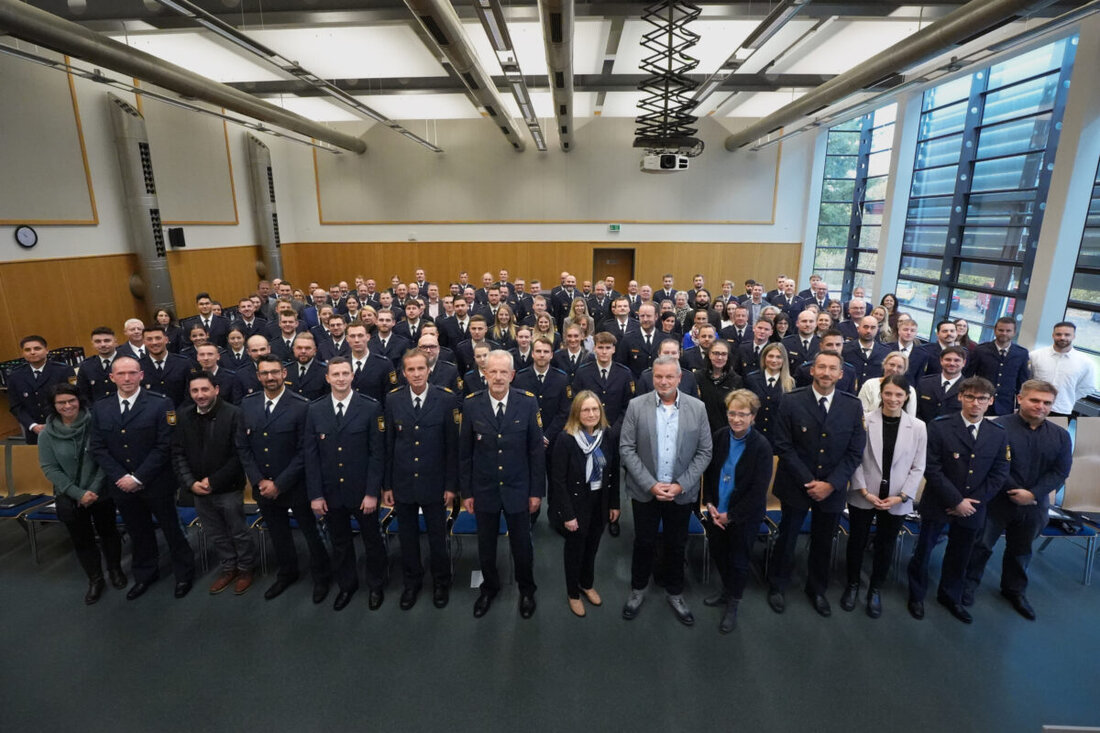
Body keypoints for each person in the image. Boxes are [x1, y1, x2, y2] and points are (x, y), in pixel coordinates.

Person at [767, 350, 865, 617]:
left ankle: (817, 589)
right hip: (796, 483)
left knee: (824, 541)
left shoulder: (852, 405)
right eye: (821, 367)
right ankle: (777, 585)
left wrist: (831, 484)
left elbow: (855, 451)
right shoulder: (791, 401)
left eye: (832, 369)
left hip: (832, 488)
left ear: (841, 374)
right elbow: (783, 445)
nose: (826, 373)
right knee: (787, 538)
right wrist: (810, 481)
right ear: (812, 370)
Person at [89, 356, 196, 600]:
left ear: (141, 375)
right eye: (121, 374)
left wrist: (138, 477)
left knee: (172, 530)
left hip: (156, 481)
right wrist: (121, 477)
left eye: (132, 373)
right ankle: (145, 574)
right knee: (139, 532)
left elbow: (164, 444)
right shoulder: (101, 407)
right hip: (120, 484)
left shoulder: (161, 404)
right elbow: (97, 448)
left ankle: (184, 574)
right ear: (112, 377)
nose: (127, 378)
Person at [964, 380, 1072, 620]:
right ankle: (968, 584)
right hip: (996, 500)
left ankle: (1014, 590)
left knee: (1021, 550)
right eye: (1035, 400)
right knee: (981, 545)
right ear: (1020, 399)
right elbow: (989, 464)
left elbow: (1060, 471)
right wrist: (1016, 491)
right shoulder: (997, 427)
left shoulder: (1061, 436)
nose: (1040, 406)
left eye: (1047, 403)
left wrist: (1032, 494)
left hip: (1035, 504)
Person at [907, 377, 1010, 624]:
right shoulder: (939, 426)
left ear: (991, 402)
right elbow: (930, 467)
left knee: (961, 554)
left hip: (974, 507)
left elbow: (1000, 472)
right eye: (971, 397)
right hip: (939, 501)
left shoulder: (998, 433)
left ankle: (950, 595)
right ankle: (916, 595)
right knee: (924, 549)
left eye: (982, 399)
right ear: (960, 397)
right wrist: (956, 500)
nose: (976, 403)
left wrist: (972, 502)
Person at [620, 355, 713, 626]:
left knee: (676, 544)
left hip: (681, 492)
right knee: (644, 543)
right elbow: (626, 448)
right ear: (652, 378)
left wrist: (681, 484)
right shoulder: (637, 406)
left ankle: (675, 592)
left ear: (679, 378)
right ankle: (637, 590)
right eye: (658, 377)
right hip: (645, 491)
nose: (663, 381)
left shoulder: (698, 408)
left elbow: (705, 451)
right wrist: (650, 483)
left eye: (669, 377)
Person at [236, 355, 332, 603]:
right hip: (263, 486)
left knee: (312, 534)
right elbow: (243, 447)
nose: (270, 377)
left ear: (284, 374)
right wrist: (259, 480)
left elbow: (305, 451)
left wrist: (279, 483)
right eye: (265, 373)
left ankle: (322, 576)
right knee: (278, 534)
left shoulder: (302, 406)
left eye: (275, 372)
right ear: (258, 377)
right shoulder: (247, 404)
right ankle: (287, 572)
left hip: (295, 483)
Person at [460, 350, 545, 619]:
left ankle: (527, 589)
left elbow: (535, 452)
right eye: (492, 371)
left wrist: (535, 492)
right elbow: (465, 452)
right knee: (486, 545)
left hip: (518, 487)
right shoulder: (471, 404)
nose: (497, 377)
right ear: (484, 374)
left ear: (512, 375)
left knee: (522, 545)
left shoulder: (527, 403)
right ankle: (489, 588)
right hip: (484, 487)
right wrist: (467, 492)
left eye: (502, 372)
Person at [304, 358, 387, 611]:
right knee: (340, 543)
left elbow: (377, 454)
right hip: (331, 492)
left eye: (345, 373)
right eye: (335, 374)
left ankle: (376, 585)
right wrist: (316, 495)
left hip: (363, 492)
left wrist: (373, 492)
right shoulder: (315, 410)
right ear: (327, 378)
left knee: (372, 541)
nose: (340, 378)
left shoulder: (371, 407)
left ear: (353, 376)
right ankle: (347, 586)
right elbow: (311, 456)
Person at [843, 375, 926, 618]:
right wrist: (863, 490)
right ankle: (853, 584)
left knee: (885, 545)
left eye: (898, 395)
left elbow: (918, 466)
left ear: (906, 397)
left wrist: (901, 496)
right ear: (881, 394)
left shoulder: (918, 427)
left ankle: (875, 588)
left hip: (896, 498)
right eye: (888, 393)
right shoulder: (866, 421)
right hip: (864, 494)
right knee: (857, 542)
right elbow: (854, 457)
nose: (892, 399)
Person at [383, 349, 461, 610]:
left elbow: (452, 447)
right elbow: (389, 445)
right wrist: (387, 485)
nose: (416, 374)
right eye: (411, 370)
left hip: (435, 481)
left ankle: (441, 582)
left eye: (421, 369)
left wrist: (451, 485)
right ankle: (412, 583)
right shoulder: (393, 400)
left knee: (437, 538)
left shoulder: (446, 399)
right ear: (403, 373)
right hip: (403, 481)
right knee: (407, 537)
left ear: (429, 370)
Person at [38, 384, 125, 604]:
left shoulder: (96, 424)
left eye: (71, 401)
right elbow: (50, 468)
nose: (67, 406)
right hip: (70, 495)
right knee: (82, 540)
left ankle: (115, 570)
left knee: (109, 533)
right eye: (61, 402)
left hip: (100, 492)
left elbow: (106, 458)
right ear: (54, 406)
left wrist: (93, 490)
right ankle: (95, 579)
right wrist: (77, 493)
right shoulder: (46, 434)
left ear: (80, 401)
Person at [171, 371, 255, 596]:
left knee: (238, 531)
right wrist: (191, 483)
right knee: (215, 533)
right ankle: (229, 568)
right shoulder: (184, 415)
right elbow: (178, 454)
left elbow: (239, 455)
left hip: (228, 487)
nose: (200, 395)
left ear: (216, 389)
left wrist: (213, 481)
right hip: (198, 490)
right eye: (195, 390)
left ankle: (246, 569)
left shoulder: (234, 414)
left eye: (205, 389)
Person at [701, 389, 774, 633]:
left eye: (742, 414)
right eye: (732, 413)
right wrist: (710, 505)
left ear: (753, 416)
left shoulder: (761, 446)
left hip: (743, 515)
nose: (736, 419)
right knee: (719, 554)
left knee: (739, 560)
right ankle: (725, 590)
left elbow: (758, 490)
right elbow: (710, 474)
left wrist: (730, 516)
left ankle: (734, 602)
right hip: (716, 511)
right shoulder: (720, 436)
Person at [550, 391, 619, 617]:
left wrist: (614, 504)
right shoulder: (566, 439)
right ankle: (573, 593)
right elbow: (557, 482)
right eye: (586, 410)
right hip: (576, 504)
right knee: (574, 550)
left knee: (592, 547)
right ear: (577, 413)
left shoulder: (607, 435)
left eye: (595, 409)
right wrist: (567, 515)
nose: (591, 414)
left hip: (600, 501)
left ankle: (586, 584)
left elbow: (614, 472)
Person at [8, 335, 74, 446]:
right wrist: (32, 425)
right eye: (27, 350)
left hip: (63, 427)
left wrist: (57, 423)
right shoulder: (15, 376)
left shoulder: (63, 370)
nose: (32, 352)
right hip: (34, 432)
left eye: (37, 348)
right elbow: (16, 406)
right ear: (23, 353)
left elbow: (73, 399)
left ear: (46, 350)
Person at [1028, 321, 1097, 416]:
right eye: (1058, 334)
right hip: (1033, 408)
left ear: (1074, 336)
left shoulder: (1085, 362)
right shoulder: (1035, 355)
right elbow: (1027, 380)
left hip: (1061, 410)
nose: (1062, 338)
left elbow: (1087, 387)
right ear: (1053, 335)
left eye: (1067, 335)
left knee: (1057, 431)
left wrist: (1068, 397)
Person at [965, 316, 1030, 416]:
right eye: (1001, 330)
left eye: (1008, 331)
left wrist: (1020, 405)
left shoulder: (1022, 353)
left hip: (1006, 405)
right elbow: (968, 375)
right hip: (981, 402)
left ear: (1014, 332)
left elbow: (1022, 382)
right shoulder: (980, 350)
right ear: (995, 331)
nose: (1004, 333)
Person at [744, 342, 794, 446]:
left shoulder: (790, 383)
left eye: (778, 357)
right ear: (764, 357)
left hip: (777, 439)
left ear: (784, 360)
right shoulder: (751, 379)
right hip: (753, 436)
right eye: (770, 356)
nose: (774, 360)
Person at [695, 339, 743, 433]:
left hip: (725, 432)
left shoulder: (736, 380)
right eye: (716, 353)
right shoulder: (697, 377)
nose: (720, 357)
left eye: (724, 354)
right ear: (709, 354)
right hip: (701, 430)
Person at [916, 345, 968, 423]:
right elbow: (915, 410)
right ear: (941, 361)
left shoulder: (969, 389)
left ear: (964, 363)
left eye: (957, 360)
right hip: (922, 431)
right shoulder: (924, 383)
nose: (952, 363)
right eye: (948, 359)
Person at [858, 351, 918, 417]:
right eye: (892, 365)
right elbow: (860, 412)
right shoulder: (870, 384)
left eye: (899, 367)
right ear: (884, 365)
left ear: (904, 370)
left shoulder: (910, 391)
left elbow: (910, 417)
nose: (894, 369)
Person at [77, 327, 121, 404]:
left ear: (115, 342)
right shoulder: (86, 366)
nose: (103, 344)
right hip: (98, 412)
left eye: (107, 341)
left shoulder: (129, 362)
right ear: (92, 344)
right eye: (98, 341)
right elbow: (82, 394)